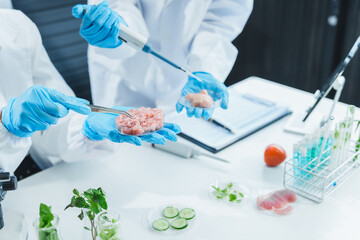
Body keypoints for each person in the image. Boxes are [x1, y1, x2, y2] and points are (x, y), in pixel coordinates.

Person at [0, 8, 180, 173]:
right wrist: (5, 125)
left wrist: (85, 128)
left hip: (33, 171)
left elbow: (50, 128)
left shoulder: (15, 25)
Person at [72, 0, 253, 119]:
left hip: (181, 79)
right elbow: (117, 5)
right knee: (121, 149)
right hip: (123, 75)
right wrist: (118, 28)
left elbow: (221, 20)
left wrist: (204, 65)